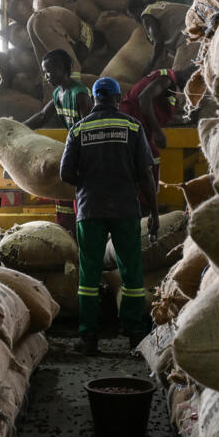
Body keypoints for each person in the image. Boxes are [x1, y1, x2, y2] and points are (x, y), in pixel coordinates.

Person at [60, 77, 160, 355]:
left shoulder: (79, 130)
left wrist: (88, 181)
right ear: (117, 99)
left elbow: (65, 174)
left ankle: (89, 337)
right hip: (126, 209)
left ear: (94, 99)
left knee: (89, 273)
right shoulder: (132, 126)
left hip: (90, 209)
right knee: (131, 272)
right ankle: (134, 333)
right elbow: (145, 175)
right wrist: (153, 212)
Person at [23, 49, 91, 234]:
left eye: (50, 71)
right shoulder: (58, 94)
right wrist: (17, 128)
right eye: (45, 72)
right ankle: (68, 232)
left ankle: (82, 235)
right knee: (63, 196)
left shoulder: (80, 95)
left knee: (81, 200)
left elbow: (89, 130)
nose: (47, 76)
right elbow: (43, 116)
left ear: (63, 68)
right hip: (74, 151)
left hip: (85, 154)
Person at [119, 66, 195, 207]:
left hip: (137, 128)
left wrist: (181, 119)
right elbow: (144, 98)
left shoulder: (169, 87)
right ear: (189, 76)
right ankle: (144, 204)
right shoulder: (166, 78)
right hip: (131, 127)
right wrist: (158, 132)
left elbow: (156, 111)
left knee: (148, 160)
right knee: (149, 161)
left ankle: (144, 202)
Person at [26, 5, 95, 81]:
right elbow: (74, 64)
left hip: (32, 21)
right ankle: (77, 93)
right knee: (72, 67)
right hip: (46, 22)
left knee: (46, 72)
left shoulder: (80, 27)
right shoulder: (89, 39)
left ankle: (52, 92)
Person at [136, 0, 191, 73]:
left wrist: (150, 64)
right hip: (200, 24)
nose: (135, 20)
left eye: (132, 16)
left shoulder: (146, 15)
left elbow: (158, 42)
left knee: (177, 76)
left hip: (188, 36)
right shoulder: (159, 6)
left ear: (134, 10)